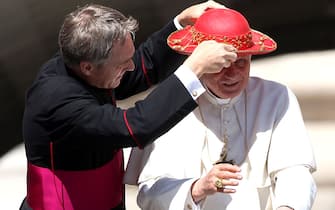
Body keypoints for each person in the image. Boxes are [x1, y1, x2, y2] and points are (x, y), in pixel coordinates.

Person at [20, 1, 238, 210]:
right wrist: (193, 70)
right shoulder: (57, 101)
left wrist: (181, 25)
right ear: (87, 67)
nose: (131, 66)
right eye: (122, 64)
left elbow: (143, 66)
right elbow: (134, 126)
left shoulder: (87, 64)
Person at [124, 8, 317, 210]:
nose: (232, 74)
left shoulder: (276, 97)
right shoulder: (170, 103)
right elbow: (150, 193)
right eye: (222, 64)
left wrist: (288, 206)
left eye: (241, 62)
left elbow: (295, 172)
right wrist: (197, 189)